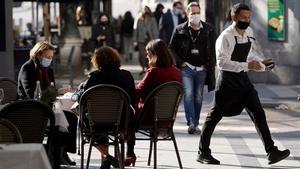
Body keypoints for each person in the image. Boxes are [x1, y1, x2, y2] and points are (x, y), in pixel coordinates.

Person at [197, 3, 290, 165]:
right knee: (214, 116)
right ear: (234, 18)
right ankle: (203, 152)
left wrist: (262, 64)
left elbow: (251, 54)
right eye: (243, 18)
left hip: (243, 81)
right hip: (227, 82)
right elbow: (222, 63)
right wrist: (248, 66)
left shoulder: (249, 32)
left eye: (249, 18)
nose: (247, 21)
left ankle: (271, 151)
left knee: (258, 113)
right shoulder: (225, 37)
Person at [17, 41, 78, 167]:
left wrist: (58, 92)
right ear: (39, 55)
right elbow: (30, 93)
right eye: (48, 57)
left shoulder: (48, 70)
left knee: (71, 117)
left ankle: (62, 152)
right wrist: (55, 92)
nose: (49, 60)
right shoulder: (28, 68)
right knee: (57, 124)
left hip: (47, 106)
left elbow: (51, 89)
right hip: (29, 108)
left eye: (51, 57)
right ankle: (55, 154)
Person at [124, 39, 182, 166]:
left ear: (154, 54)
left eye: (147, 53)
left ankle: (130, 153)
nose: (146, 56)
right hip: (167, 119)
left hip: (148, 117)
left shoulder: (153, 72)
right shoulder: (177, 72)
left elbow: (137, 92)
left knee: (127, 113)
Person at [77, 46, 135, 169]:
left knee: (84, 121)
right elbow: (132, 99)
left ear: (97, 61)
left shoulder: (94, 77)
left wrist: (80, 89)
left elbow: (81, 99)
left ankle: (107, 156)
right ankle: (106, 160)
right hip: (121, 122)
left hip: (96, 122)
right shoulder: (126, 76)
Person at [169, 2, 216, 135]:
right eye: (192, 13)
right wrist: (180, 62)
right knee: (188, 94)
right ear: (187, 13)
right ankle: (191, 123)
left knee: (198, 96)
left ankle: (195, 123)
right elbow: (171, 48)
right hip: (187, 68)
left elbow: (213, 50)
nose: (195, 15)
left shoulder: (209, 29)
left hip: (202, 69)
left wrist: (208, 65)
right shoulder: (179, 29)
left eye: (197, 13)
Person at [136, 5, 159, 75]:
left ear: (149, 10)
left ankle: (149, 68)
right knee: (142, 55)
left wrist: (156, 39)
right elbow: (136, 30)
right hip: (141, 40)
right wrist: (135, 40)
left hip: (150, 39)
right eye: (144, 9)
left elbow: (155, 30)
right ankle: (143, 68)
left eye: (147, 9)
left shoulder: (152, 19)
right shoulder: (139, 19)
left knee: (150, 54)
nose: (145, 11)